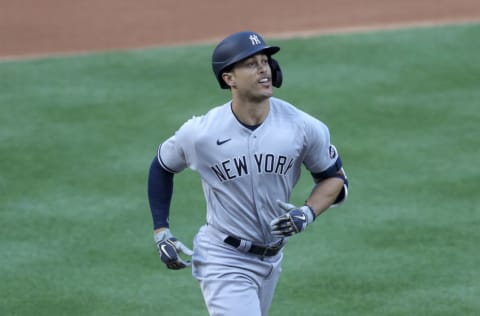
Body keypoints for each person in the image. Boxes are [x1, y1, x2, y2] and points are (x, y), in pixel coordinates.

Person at [147, 30, 349, 316]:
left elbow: (335, 179)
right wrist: (161, 231)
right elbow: (161, 166)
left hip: (272, 257)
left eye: (265, 61)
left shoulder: (302, 126)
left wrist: (307, 213)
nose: (263, 69)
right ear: (229, 78)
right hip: (223, 257)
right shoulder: (201, 133)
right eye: (251, 64)